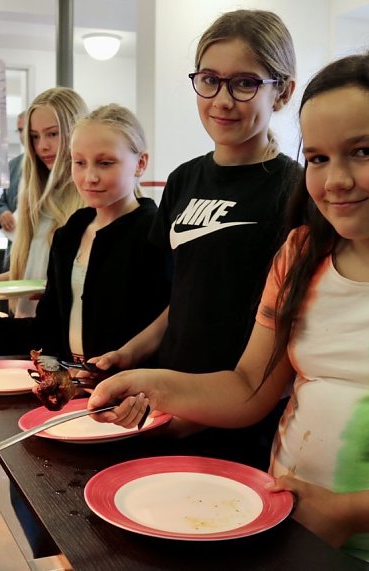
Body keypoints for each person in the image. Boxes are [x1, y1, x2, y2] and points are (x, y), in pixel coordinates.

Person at [89, 46, 369, 571]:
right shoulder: (299, 256)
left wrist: (348, 512)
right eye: (317, 158)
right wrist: (153, 383)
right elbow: (247, 389)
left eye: (363, 151)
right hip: (284, 533)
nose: (335, 180)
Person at [85, 9, 301, 469]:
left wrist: (205, 412)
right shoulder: (184, 179)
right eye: (209, 80)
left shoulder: (296, 191)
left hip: (242, 421)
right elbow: (182, 297)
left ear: (282, 91)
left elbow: (292, 337)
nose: (222, 100)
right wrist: (130, 353)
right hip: (168, 403)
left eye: (244, 83)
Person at [0, 104, 170, 362]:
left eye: (105, 163)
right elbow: (47, 330)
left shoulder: (156, 233)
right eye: (79, 163)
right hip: (73, 387)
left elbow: (170, 334)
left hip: (127, 395)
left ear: (140, 163)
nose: (90, 177)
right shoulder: (72, 232)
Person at [0, 87, 89, 318]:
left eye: (52, 134)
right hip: (30, 332)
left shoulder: (90, 202)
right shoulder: (38, 196)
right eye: (34, 136)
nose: (42, 146)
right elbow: (25, 275)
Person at [0, 110, 26, 271]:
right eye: (19, 130)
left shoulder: (51, 165)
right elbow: (3, 200)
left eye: (26, 129)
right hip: (14, 245)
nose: (23, 135)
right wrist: (4, 212)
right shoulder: (14, 165)